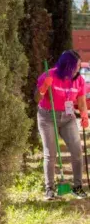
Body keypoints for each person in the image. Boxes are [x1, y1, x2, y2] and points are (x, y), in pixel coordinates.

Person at [36, 50, 89, 200]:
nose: (78, 69)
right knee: (50, 154)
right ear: (67, 65)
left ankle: (77, 187)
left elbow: (81, 101)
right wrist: (43, 88)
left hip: (68, 118)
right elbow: (36, 98)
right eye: (76, 66)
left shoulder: (79, 80)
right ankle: (50, 190)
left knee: (77, 151)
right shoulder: (49, 75)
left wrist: (84, 115)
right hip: (47, 117)